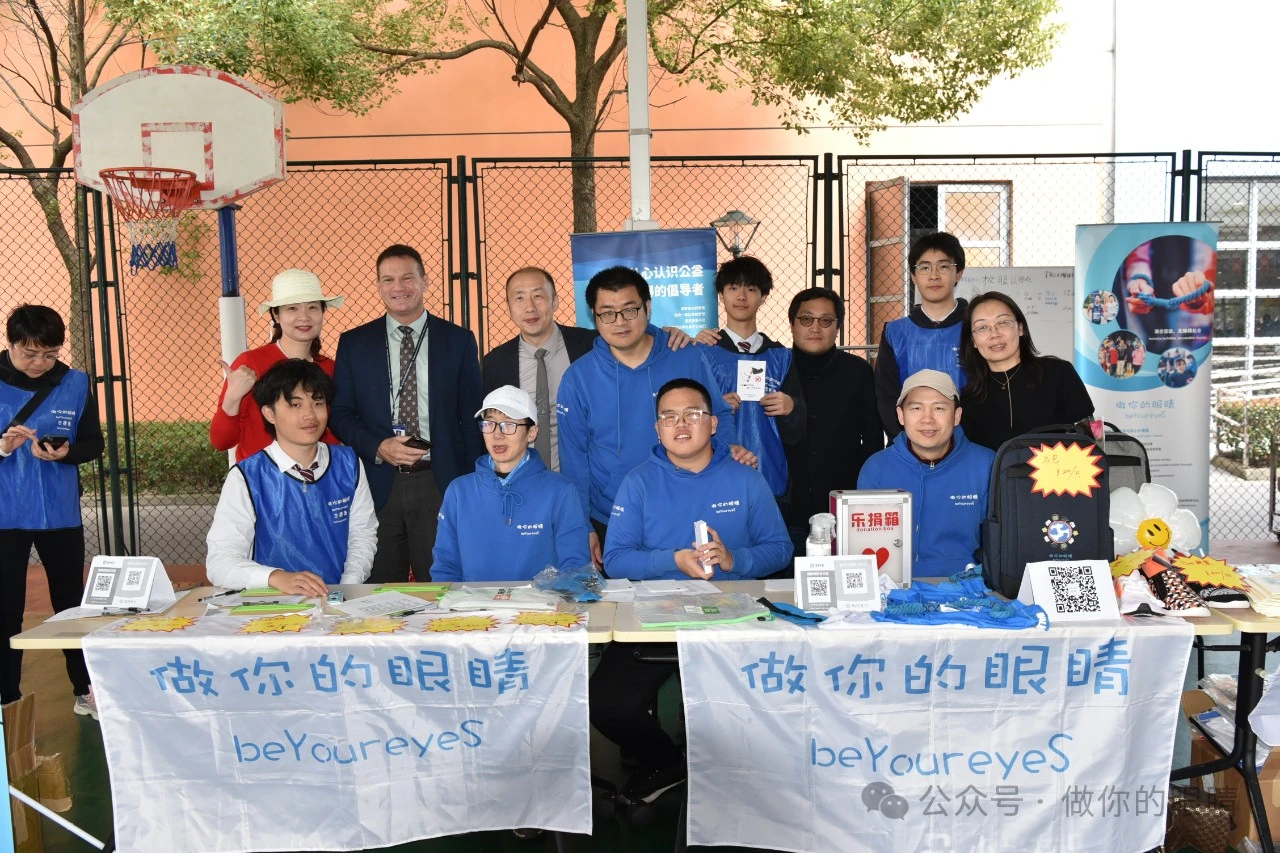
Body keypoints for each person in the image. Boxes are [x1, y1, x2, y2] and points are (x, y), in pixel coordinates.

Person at [591, 378, 791, 804]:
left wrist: (735, 559)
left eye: (693, 414)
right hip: (656, 614)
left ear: (714, 424)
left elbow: (780, 549)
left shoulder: (745, 479)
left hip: (733, 613)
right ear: (657, 429)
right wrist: (674, 560)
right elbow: (618, 559)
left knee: (759, 706)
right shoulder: (639, 482)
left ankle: (738, 777)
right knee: (607, 703)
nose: (681, 424)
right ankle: (669, 762)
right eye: (669, 416)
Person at [557, 266, 754, 567]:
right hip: (611, 516)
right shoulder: (578, 378)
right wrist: (582, 526)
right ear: (594, 317)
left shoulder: (685, 355)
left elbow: (721, 416)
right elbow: (574, 460)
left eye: (630, 310)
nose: (620, 322)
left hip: (688, 510)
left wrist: (730, 451)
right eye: (607, 313)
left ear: (647, 308)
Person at [330, 244, 485, 583]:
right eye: (388, 279)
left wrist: (474, 484)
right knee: (378, 590)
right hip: (378, 481)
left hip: (439, 481)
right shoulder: (355, 343)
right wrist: (377, 446)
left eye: (407, 278)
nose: (398, 287)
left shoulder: (457, 340)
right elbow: (339, 413)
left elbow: (473, 417)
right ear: (379, 286)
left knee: (442, 586)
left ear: (425, 281)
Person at [482, 266, 705, 472]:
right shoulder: (496, 362)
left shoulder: (593, 345)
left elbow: (632, 331)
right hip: (523, 475)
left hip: (579, 472)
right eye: (519, 298)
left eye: (538, 296)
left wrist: (667, 335)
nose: (530, 307)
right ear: (508, 306)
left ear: (555, 301)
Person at [0, 305, 104, 717]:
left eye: (50, 353)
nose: (40, 363)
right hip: (5, 515)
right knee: (6, 607)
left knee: (69, 602)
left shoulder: (75, 383)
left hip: (60, 514)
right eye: (30, 354)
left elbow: (94, 444)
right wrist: (4, 447)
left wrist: (65, 453)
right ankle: (7, 697)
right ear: (10, 344)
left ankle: (86, 689)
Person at [206, 360, 376, 594]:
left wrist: (345, 587)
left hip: (338, 597)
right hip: (272, 606)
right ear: (269, 414)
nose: (309, 415)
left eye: (318, 403)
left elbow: (363, 536)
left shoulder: (349, 463)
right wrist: (276, 577)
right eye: (295, 405)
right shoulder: (247, 476)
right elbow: (220, 563)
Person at [432, 386, 590, 582]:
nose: (497, 435)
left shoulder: (560, 491)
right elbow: (445, 567)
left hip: (540, 608)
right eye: (489, 424)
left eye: (509, 425)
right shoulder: (459, 491)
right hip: (474, 608)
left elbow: (575, 565)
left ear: (532, 433)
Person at [858, 370, 994, 578]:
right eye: (916, 408)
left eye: (939, 408)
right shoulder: (876, 468)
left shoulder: (987, 464)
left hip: (969, 587)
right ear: (901, 415)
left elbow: (1001, 545)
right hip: (894, 589)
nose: (927, 419)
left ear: (956, 416)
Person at [210, 269, 344, 461]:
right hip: (262, 481)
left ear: (323, 312)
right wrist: (232, 397)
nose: (304, 316)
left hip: (318, 480)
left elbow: (334, 431)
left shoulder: (330, 368)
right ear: (276, 315)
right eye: (292, 308)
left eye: (312, 307)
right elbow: (221, 441)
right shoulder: (250, 364)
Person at [700, 256, 805, 499]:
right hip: (716, 473)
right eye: (733, 288)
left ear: (764, 297)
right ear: (720, 295)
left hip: (771, 473)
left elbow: (799, 425)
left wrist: (791, 407)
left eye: (751, 289)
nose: (741, 296)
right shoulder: (703, 352)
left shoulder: (781, 356)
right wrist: (714, 409)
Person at [784, 288, 882, 542]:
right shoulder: (776, 369)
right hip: (784, 505)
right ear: (792, 323)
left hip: (843, 504)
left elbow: (872, 439)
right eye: (806, 319)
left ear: (837, 327)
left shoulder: (858, 372)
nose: (815, 328)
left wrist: (862, 497)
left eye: (826, 321)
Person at [958, 291, 1093, 451]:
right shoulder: (970, 398)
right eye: (982, 327)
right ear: (973, 341)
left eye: (1002, 323)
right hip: (997, 477)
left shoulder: (1058, 373)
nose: (994, 334)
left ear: (1020, 328)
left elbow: (1090, 437)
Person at [874, 232, 969, 437]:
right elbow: (886, 395)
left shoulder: (976, 327)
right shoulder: (895, 332)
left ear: (959, 272)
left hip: (970, 445)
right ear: (914, 276)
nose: (934, 275)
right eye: (925, 267)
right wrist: (909, 442)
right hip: (910, 445)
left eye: (943, 266)